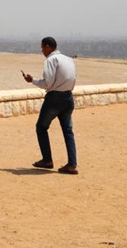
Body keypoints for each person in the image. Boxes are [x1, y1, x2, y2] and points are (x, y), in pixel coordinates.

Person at [22, 37, 79, 175]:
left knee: (41, 127)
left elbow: (47, 83)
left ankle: (47, 160)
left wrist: (32, 80)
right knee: (68, 131)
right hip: (68, 97)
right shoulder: (68, 59)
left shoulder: (50, 60)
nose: (42, 50)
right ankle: (72, 164)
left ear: (48, 46)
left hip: (54, 99)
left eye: (42, 47)